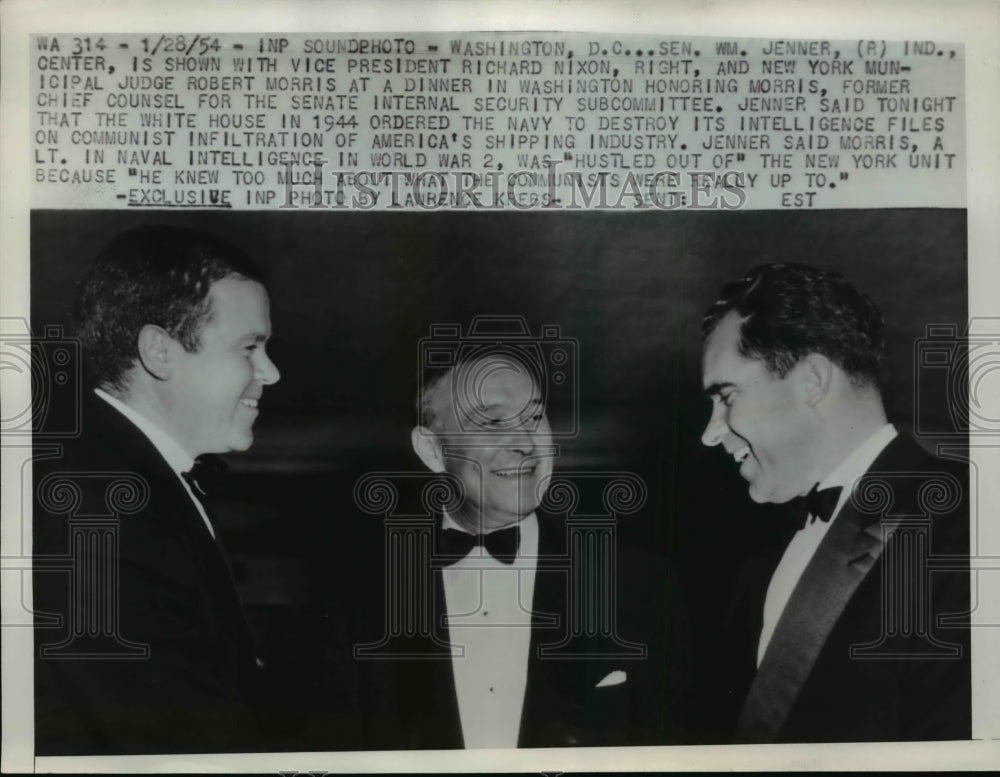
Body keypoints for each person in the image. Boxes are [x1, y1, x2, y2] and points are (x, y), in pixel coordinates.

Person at [312, 347, 678, 749]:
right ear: (433, 450)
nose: (524, 442)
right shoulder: (359, 596)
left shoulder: (637, 584)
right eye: (491, 421)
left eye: (535, 417)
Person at [33, 224, 280, 755]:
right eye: (250, 347)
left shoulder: (122, 484)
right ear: (160, 352)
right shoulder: (103, 509)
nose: (271, 372)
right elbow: (177, 746)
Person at [699, 262, 970, 743]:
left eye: (727, 395)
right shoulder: (755, 569)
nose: (710, 432)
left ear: (813, 381)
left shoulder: (969, 522)